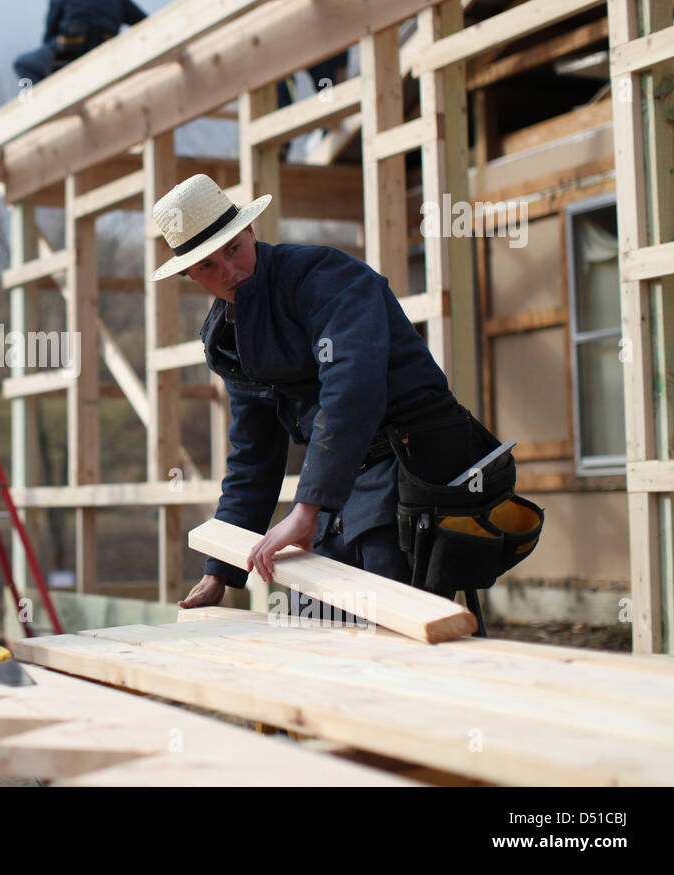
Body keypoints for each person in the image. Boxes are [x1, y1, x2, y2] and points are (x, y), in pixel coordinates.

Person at [147, 175, 465, 611]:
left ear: (250, 232)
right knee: (311, 615)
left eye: (233, 249)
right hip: (340, 488)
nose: (229, 272)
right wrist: (219, 569)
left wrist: (305, 510)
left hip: (412, 464)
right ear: (189, 275)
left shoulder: (326, 277)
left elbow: (351, 388)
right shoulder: (229, 337)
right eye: (207, 267)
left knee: (396, 616)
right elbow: (253, 454)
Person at [13, 0, 146, 85]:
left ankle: (41, 104)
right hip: (108, 45)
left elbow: (50, 33)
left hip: (72, 47)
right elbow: (143, 22)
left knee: (22, 64)